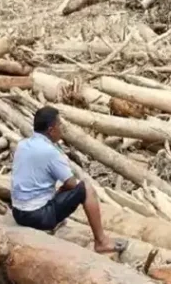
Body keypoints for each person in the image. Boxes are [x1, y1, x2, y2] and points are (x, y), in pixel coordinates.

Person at [10, 107, 123, 253]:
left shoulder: (22, 144)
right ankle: (101, 241)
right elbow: (71, 183)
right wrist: (63, 190)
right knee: (86, 189)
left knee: (55, 191)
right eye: (59, 125)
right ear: (51, 130)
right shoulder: (51, 152)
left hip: (18, 212)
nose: (62, 129)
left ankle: (53, 217)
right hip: (37, 217)